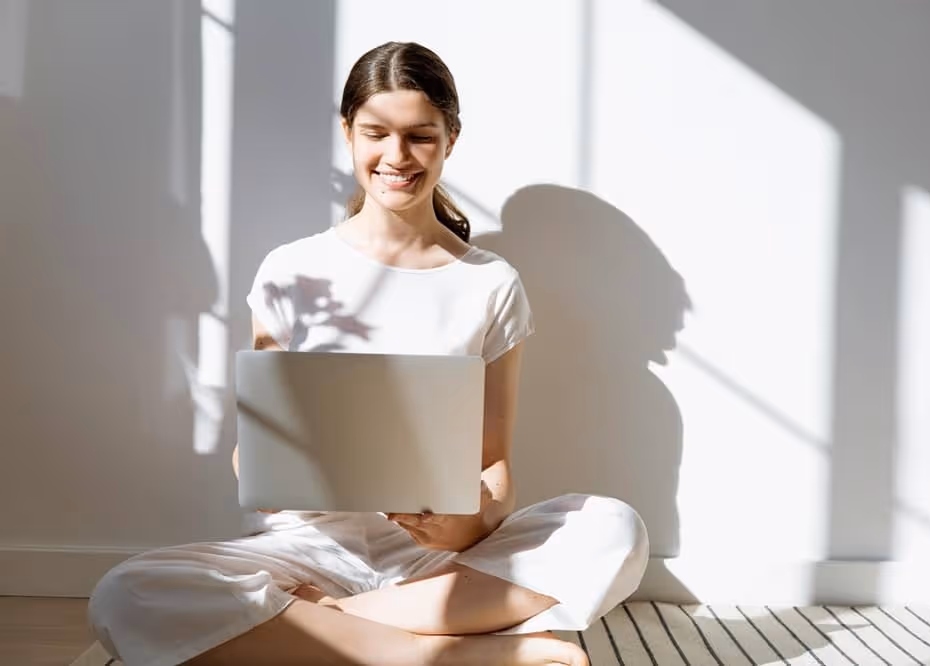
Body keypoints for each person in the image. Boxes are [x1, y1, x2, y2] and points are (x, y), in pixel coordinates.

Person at [88, 41, 648, 666]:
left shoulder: (490, 283)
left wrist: (465, 524)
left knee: (614, 528)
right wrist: (265, 474)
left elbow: (494, 468)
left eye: (420, 136)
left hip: (435, 562)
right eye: (376, 133)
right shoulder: (292, 269)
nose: (396, 157)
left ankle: (333, 624)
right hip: (302, 549)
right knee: (128, 593)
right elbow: (258, 447)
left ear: (450, 138)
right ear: (349, 133)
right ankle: (451, 652)